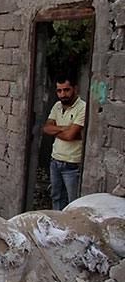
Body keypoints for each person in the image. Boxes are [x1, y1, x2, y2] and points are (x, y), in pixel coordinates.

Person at [43, 75, 86, 210]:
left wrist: (58, 131)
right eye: (59, 91)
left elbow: (69, 135)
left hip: (72, 164)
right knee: (56, 197)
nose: (63, 94)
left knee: (73, 202)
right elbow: (46, 128)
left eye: (66, 90)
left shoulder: (82, 108)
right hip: (55, 160)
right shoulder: (57, 106)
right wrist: (63, 128)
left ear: (75, 89)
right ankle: (58, 227)